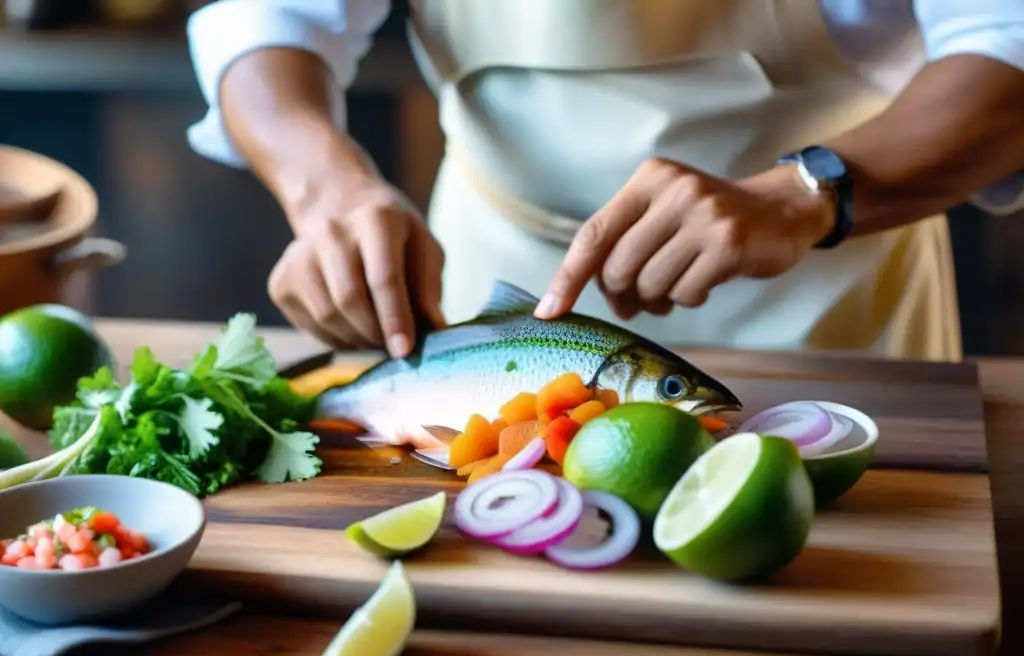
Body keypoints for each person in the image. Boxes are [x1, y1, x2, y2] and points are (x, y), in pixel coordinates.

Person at [185, 0, 1024, 362]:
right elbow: (270, 18)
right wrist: (326, 191)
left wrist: (803, 192)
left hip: (827, 290)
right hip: (491, 285)